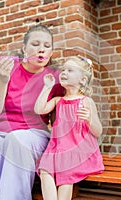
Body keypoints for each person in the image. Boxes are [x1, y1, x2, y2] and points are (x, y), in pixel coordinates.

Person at [0, 24, 64, 200]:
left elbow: (58, 117)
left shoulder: (54, 77)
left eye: (47, 46)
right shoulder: (8, 67)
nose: (41, 49)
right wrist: (3, 80)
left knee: (16, 139)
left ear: (51, 52)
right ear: (24, 48)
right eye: (35, 44)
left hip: (33, 134)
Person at [34, 55, 104, 200]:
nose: (64, 73)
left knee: (65, 175)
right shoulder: (58, 100)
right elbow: (39, 109)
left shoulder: (86, 101)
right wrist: (47, 88)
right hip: (57, 147)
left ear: (82, 80)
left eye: (70, 70)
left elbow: (98, 131)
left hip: (78, 149)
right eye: (63, 70)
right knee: (44, 171)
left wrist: (90, 119)